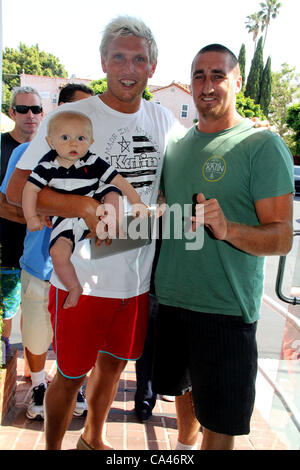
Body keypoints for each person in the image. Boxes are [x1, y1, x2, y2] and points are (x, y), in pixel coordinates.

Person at [6, 16, 177, 450]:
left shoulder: (163, 121)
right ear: (103, 61)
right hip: (79, 278)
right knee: (69, 374)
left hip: (137, 281)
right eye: (118, 56)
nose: (128, 67)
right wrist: (83, 206)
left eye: (139, 59)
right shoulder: (72, 116)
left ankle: (94, 439)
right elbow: (15, 190)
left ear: (152, 68)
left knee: (116, 364)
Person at [152, 43, 294, 450]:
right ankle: (182, 448)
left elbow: (282, 237)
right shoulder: (176, 146)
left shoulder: (261, 146)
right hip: (173, 300)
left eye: (217, 75)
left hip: (226, 310)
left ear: (237, 81)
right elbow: (163, 207)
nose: (207, 84)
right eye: (199, 75)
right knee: (180, 393)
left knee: (221, 422)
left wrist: (228, 228)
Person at [0, 84, 95, 420]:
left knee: (79, 336)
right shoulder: (25, 153)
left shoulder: (99, 159)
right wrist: (36, 214)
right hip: (38, 262)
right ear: (59, 110)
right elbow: (6, 201)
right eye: (76, 108)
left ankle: (76, 386)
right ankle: (39, 384)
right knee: (38, 333)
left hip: (86, 268)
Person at [22, 110, 147, 309]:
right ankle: (74, 287)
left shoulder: (91, 160)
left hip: (95, 200)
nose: (74, 143)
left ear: (90, 141)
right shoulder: (47, 165)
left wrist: (137, 201)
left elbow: (118, 180)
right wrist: (31, 217)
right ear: (51, 142)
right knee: (57, 253)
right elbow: (30, 189)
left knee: (112, 190)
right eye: (65, 138)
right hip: (67, 217)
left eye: (81, 138)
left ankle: (112, 224)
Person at [0, 86, 44, 362]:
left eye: (36, 109)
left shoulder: (50, 150)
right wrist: (35, 217)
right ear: (11, 112)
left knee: (34, 310)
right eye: (23, 109)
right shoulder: (3, 148)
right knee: (7, 306)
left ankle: (32, 370)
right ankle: (5, 352)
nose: (30, 115)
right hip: (6, 241)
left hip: (37, 248)